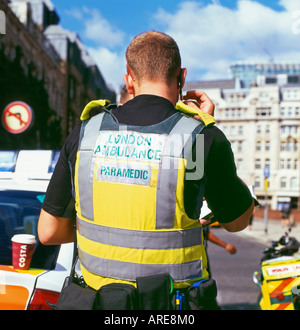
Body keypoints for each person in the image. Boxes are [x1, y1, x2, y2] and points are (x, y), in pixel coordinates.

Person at [38, 31, 254, 309]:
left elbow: (49, 232)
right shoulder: (201, 138)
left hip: (98, 303)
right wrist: (207, 126)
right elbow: (237, 221)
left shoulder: (86, 132)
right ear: (182, 76)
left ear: (129, 78)